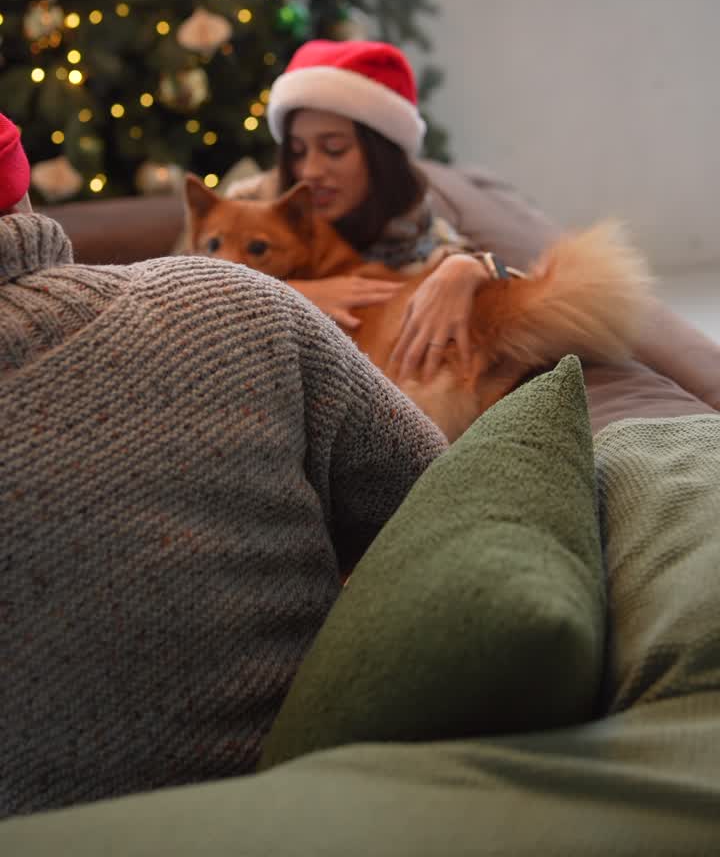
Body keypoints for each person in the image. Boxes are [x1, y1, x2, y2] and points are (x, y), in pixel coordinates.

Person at [0, 111, 447, 819]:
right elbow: (444, 496)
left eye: (337, 148)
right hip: (338, 808)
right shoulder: (242, 306)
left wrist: (468, 268)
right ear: (23, 191)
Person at [259, 38, 502, 382]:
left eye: (334, 149)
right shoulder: (253, 200)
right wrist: (292, 294)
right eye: (298, 152)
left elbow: (505, 283)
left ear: (380, 156)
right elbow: (177, 290)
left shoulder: (418, 236)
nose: (310, 171)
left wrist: (469, 268)